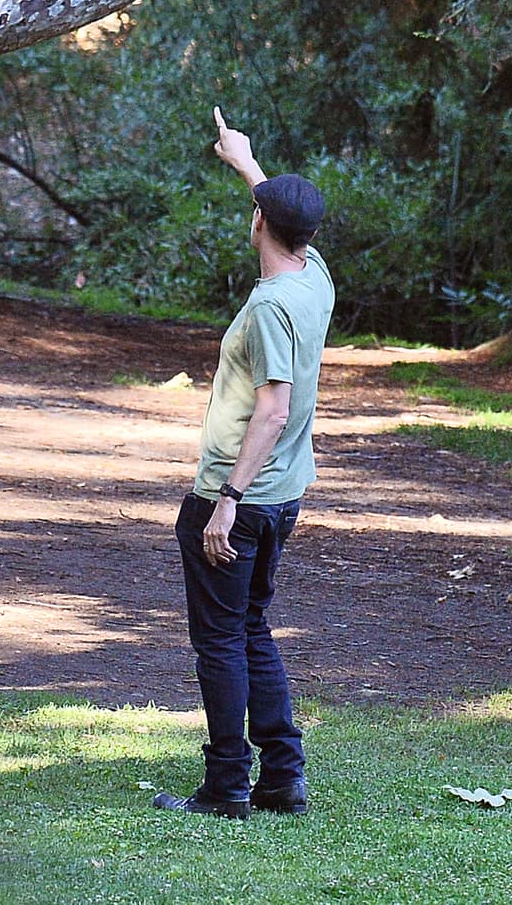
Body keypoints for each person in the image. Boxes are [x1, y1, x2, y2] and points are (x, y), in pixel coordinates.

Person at [153, 106, 334, 820]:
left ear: (258, 223)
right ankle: (282, 775)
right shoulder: (315, 276)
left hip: (238, 496)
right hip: (284, 495)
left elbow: (274, 410)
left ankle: (227, 784)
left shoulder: (268, 309)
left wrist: (226, 500)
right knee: (250, 625)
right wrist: (246, 161)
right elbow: (285, 216)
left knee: (221, 640)